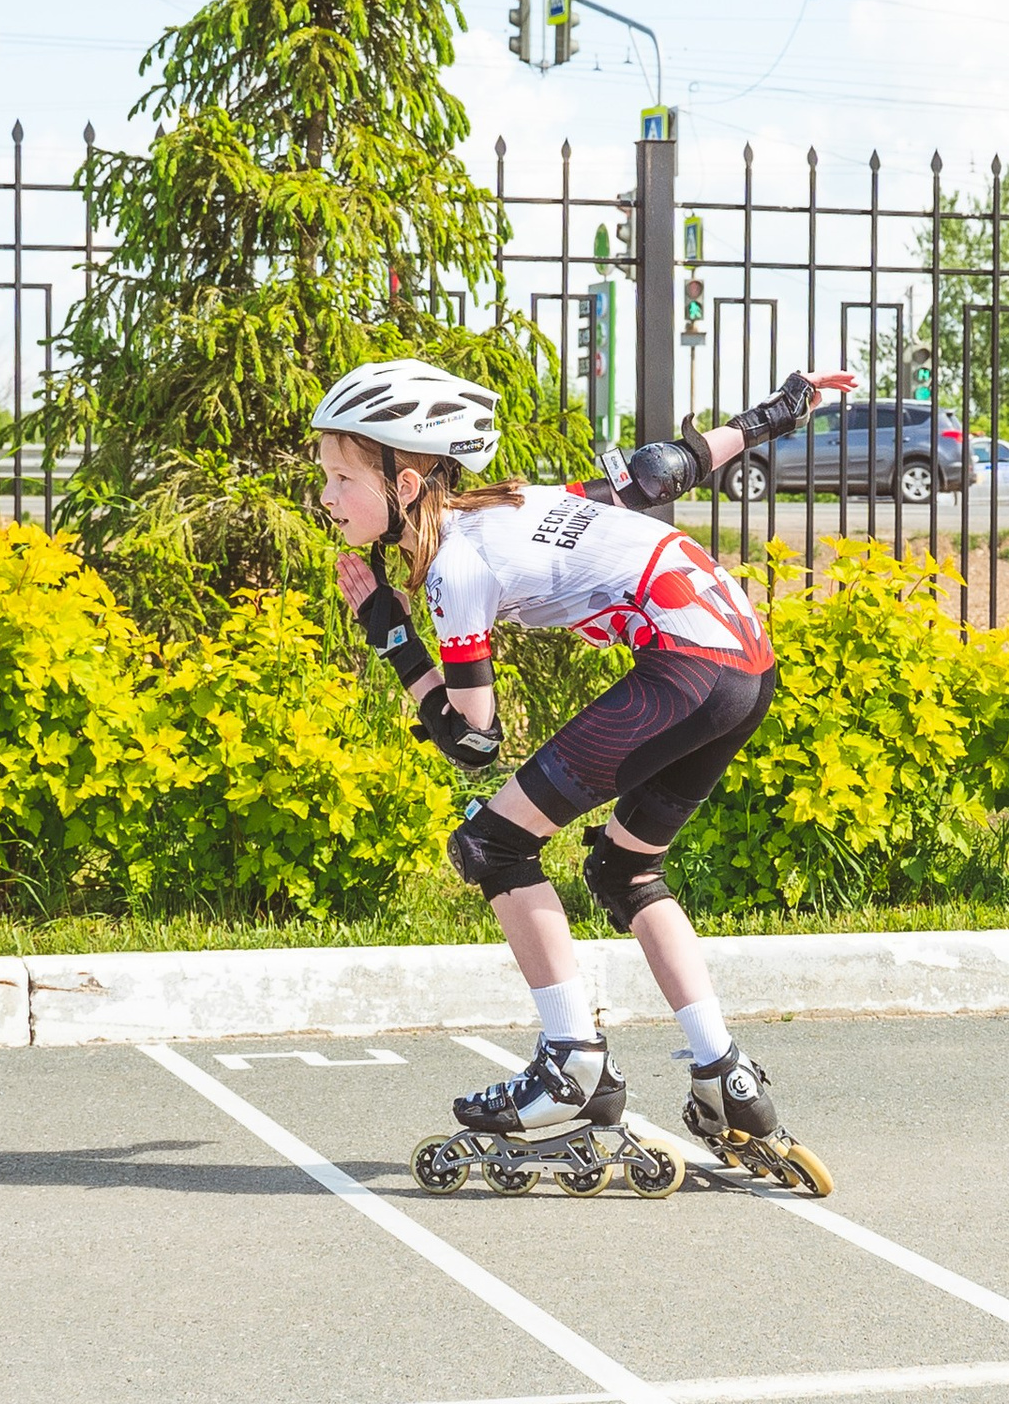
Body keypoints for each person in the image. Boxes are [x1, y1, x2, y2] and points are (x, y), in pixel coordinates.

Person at [313, 356, 852, 1190]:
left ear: (408, 481)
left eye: (341, 476)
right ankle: (727, 1080)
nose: (326, 497)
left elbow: (472, 741)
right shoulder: (524, 500)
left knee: (492, 847)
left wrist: (391, 632)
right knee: (623, 867)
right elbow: (658, 473)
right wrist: (778, 414)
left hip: (688, 667)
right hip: (746, 663)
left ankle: (573, 1065)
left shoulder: (458, 566)